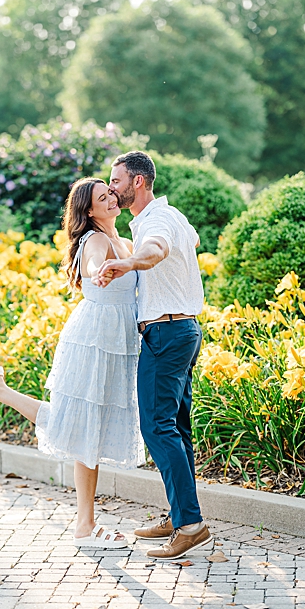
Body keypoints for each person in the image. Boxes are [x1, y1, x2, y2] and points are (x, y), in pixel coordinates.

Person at [0, 177, 143, 549]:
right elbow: (92, 263)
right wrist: (98, 271)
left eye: (111, 193)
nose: (112, 198)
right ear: (89, 210)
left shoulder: (125, 242)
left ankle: (85, 525)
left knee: (90, 431)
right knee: (82, 426)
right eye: (103, 197)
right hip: (95, 340)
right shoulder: (97, 241)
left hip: (114, 340)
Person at [94, 150, 211, 560]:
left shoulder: (157, 223)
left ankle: (191, 525)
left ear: (138, 182)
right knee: (175, 429)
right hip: (180, 329)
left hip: (166, 331)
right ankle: (181, 515)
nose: (112, 187)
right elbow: (191, 239)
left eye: (117, 180)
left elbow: (156, 252)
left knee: (157, 427)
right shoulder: (167, 216)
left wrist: (125, 264)